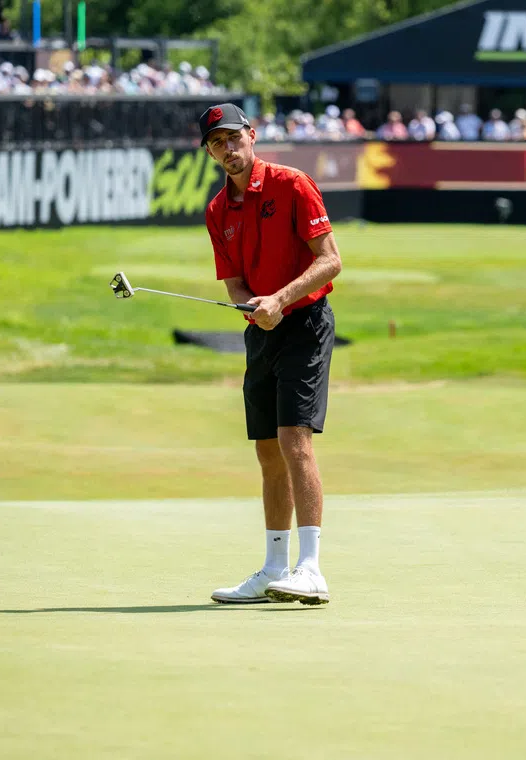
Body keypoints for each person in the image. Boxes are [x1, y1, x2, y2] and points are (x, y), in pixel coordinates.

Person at [200, 103, 343, 605]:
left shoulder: (292, 184)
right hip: (262, 332)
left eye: (233, 138)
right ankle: (274, 567)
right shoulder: (218, 211)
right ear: (211, 152)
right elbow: (237, 285)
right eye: (217, 143)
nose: (228, 149)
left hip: (304, 323)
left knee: (293, 439)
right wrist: (250, 309)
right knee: (266, 449)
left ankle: (312, 569)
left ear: (252, 136)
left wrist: (280, 299)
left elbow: (331, 261)